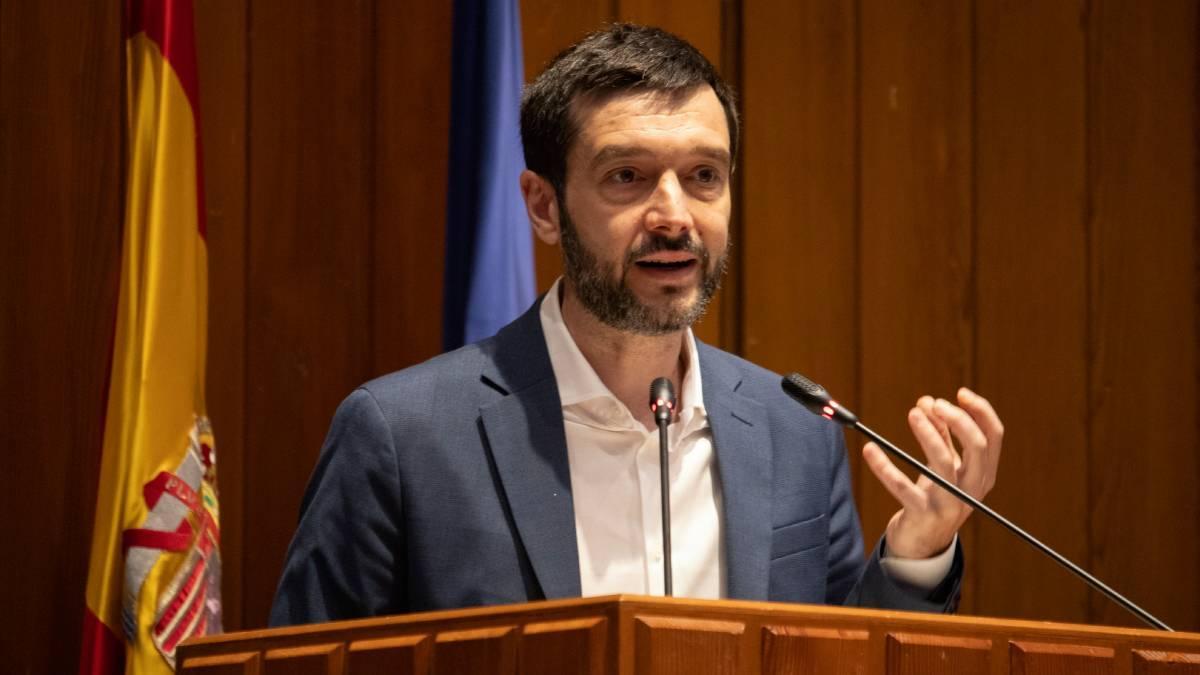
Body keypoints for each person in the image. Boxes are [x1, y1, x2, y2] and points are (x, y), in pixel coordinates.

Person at [269, 24, 1003, 626]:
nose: (675, 215)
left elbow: (838, 653)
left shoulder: (795, 430)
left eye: (704, 176)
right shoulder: (403, 435)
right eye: (627, 176)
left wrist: (917, 549)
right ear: (544, 206)